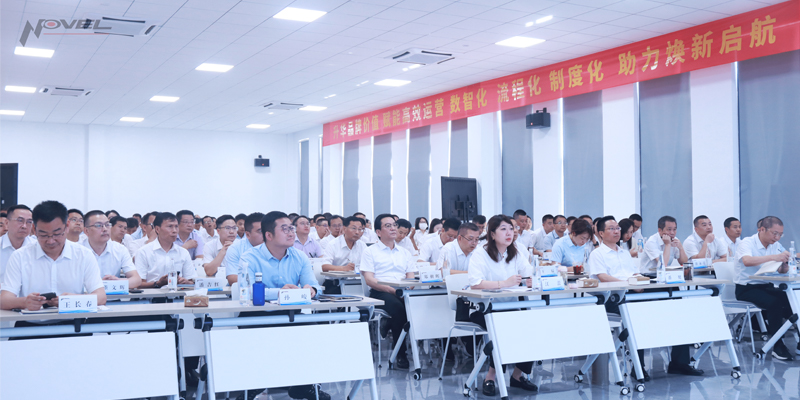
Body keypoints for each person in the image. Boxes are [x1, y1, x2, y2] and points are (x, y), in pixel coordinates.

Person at [234, 211, 328, 400]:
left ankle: (304, 386)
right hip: (257, 314)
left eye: (291, 228)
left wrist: (311, 290)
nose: (291, 233)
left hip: (290, 313)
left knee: (314, 331)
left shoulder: (299, 257)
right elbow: (247, 291)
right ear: (268, 235)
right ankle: (253, 386)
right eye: (285, 229)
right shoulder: (249, 257)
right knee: (262, 340)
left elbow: (315, 286)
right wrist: (280, 292)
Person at [467, 215, 537, 395]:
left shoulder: (516, 252)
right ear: (492, 234)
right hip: (484, 308)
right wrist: (503, 283)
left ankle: (517, 376)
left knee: (532, 327)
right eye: (503, 229)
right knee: (505, 330)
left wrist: (530, 280)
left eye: (511, 229)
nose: (509, 233)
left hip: (509, 307)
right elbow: (475, 283)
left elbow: (528, 273)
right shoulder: (480, 253)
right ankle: (490, 377)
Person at [1, 201, 107, 310]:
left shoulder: (83, 255)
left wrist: (73, 299)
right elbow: (4, 300)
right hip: (32, 320)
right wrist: (25, 302)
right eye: (43, 235)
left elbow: (101, 297)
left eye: (57, 234)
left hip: (72, 319)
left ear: (66, 226)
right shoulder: (20, 256)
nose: (51, 241)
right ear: (34, 229)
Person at [360, 213, 417, 369]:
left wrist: (408, 288)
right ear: (378, 232)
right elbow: (369, 280)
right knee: (399, 309)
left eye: (394, 225)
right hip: (380, 292)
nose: (393, 228)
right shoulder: (370, 252)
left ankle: (390, 323)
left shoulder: (404, 252)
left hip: (402, 291)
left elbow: (411, 276)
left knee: (417, 306)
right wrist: (391, 290)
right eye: (388, 226)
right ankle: (400, 353)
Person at [735, 216, 796, 360]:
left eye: (780, 234)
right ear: (762, 229)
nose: (777, 237)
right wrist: (774, 257)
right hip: (746, 288)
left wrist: (785, 264)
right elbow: (747, 261)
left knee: (793, 302)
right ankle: (777, 346)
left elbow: (781, 270)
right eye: (774, 233)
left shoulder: (776, 245)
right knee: (775, 303)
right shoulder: (747, 242)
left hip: (766, 286)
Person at [134, 212, 197, 288]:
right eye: (170, 226)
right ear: (157, 229)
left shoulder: (183, 252)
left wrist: (185, 282)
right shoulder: (144, 252)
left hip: (177, 294)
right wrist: (158, 283)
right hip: (151, 294)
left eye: (176, 226)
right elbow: (138, 284)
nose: (174, 231)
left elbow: (191, 281)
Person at [82, 210, 142, 288]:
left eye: (107, 225)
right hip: (85, 295)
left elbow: (137, 280)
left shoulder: (120, 249)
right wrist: (101, 284)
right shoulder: (77, 251)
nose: (105, 229)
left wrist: (116, 282)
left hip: (112, 295)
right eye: (99, 225)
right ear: (86, 231)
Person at [321, 216, 367, 293]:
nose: (357, 232)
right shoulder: (333, 244)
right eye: (354, 228)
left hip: (357, 283)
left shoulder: (362, 245)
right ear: (344, 229)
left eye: (360, 229)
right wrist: (344, 268)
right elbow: (325, 267)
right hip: (335, 284)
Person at [225, 212, 264, 285]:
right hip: (244, 290)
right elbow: (232, 278)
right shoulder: (235, 248)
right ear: (248, 234)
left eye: (267, 230)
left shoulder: (275, 247)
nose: (265, 234)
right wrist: (259, 282)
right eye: (261, 231)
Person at [0, 205, 35, 282]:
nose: (24, 226)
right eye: (20, 220)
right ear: (7, 222)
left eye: (29, 222)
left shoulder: (37, 247)